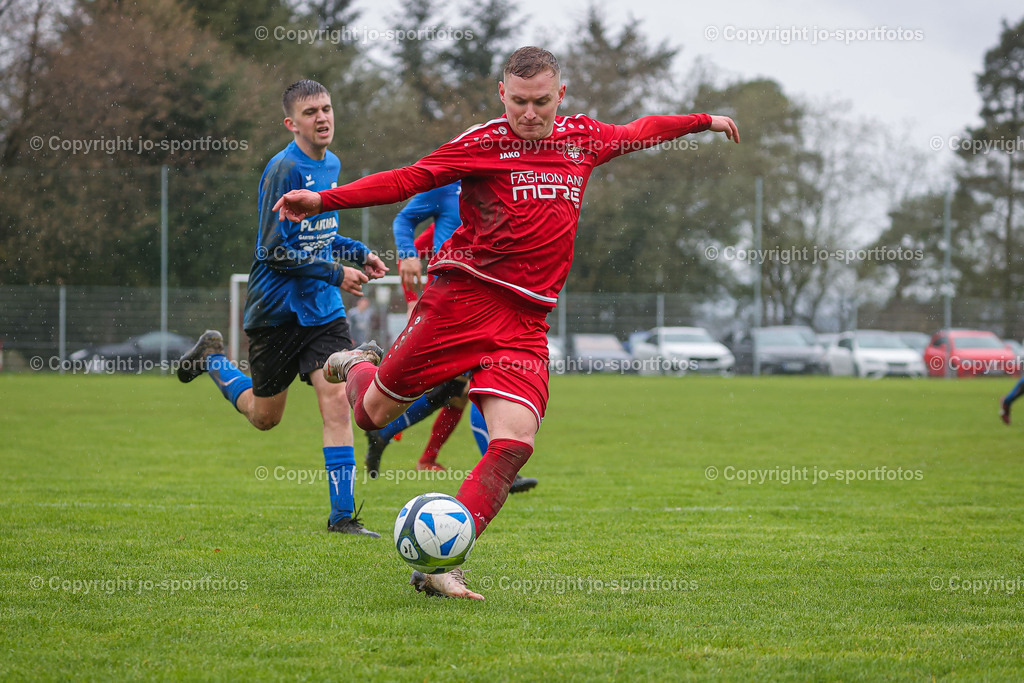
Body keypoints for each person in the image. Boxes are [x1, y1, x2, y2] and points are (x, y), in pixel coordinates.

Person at [273, 47, 739, 599]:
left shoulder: (582, 140)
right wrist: (323, 198)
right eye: (519, 102)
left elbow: (641, 129)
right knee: (372, 416)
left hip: (525, 322)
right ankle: (355, 364)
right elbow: (408, 180)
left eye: (542, 101)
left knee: (515, 442)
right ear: (502, 95)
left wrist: (702, 121)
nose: (530, 113)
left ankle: (441, 563)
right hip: (461, 303)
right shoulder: (482, 143)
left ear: (560, 96)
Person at [177, 79, 388, 537]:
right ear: (291, 123)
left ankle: (342, 517)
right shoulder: (282, 169)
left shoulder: (331, 163)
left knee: (335, 402)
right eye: (311, 112)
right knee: (264, 416)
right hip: (276, 311)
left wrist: (357, 253)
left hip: (323, 311)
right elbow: (274, 251)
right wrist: (336, 272)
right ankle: (212, 358)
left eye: (327, 108)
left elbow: (323, 233)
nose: (323, 118)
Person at [363, 182, 538, 492]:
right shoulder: (448, 189)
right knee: (477, 384)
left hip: (490, 305)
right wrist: (410, 296)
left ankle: (396, 439)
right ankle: (499, 473)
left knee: (455, 391)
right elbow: (414, 238)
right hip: (453, 306)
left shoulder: (505, 192)